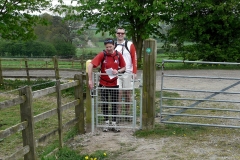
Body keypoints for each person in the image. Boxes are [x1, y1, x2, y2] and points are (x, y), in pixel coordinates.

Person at [88, 38, 126, 132]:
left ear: (114, 46)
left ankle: (114, 123)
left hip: (114, 83)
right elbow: (90, 65)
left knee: (114, 104)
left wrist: (118, 71)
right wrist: (90, 80)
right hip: (103, 84)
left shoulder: (118, 55)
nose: (108, 49)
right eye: (107, 47)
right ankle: (106, 123)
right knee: (104, 103)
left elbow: (124, 67)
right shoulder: (102, 54)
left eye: (110, 46)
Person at [115, 27, 137, 121]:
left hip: (128, 73)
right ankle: (118, 114)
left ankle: (127, 114)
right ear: (116, 34)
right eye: (119, 33)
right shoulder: (113, 45)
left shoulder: (130, 44)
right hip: (117, 73)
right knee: (118, 94)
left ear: (125, 34)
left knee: (128, 94)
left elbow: (134, 58)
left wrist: (134, 72)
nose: (120, 35)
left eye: (122, 33)